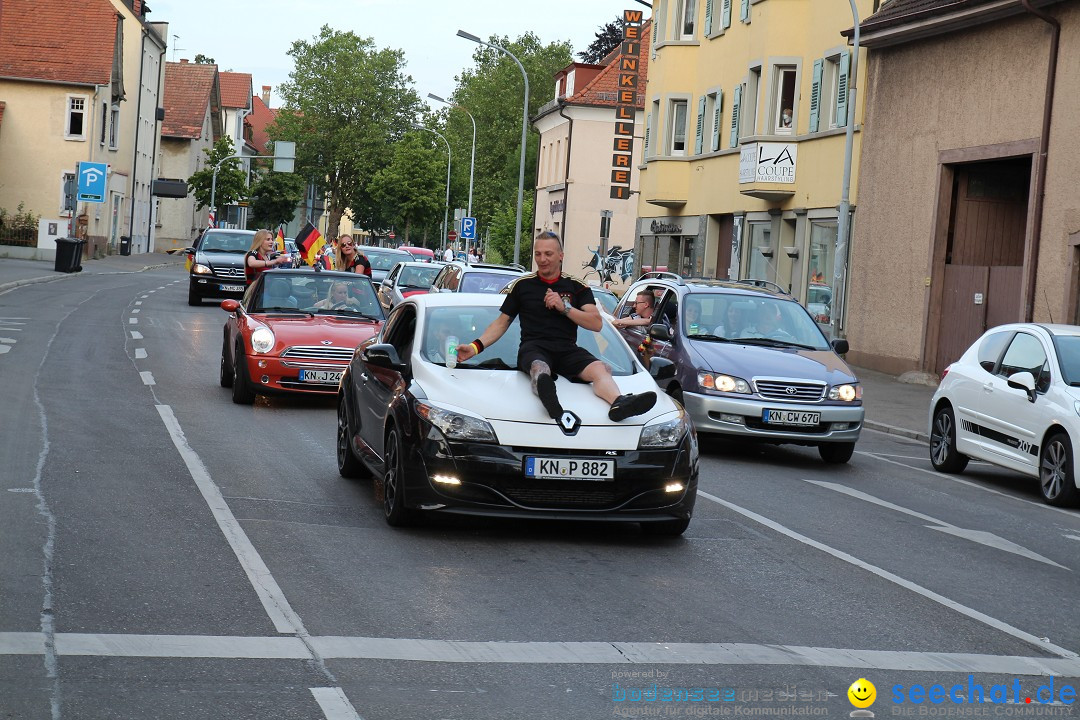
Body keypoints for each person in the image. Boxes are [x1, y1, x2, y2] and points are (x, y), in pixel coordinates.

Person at [456, 231, 656, 423]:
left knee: (601, 368)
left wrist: (565, 308)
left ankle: (618, 403)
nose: (542, 259)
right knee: (540, 368)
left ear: (561, 256)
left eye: (548, 254)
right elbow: (501, 323)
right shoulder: (523, 286)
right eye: (538, 254)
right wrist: (474, 347)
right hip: (533, 347)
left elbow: (595, 323)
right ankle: (549, 397)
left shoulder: (577, 287)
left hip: (567, 349)